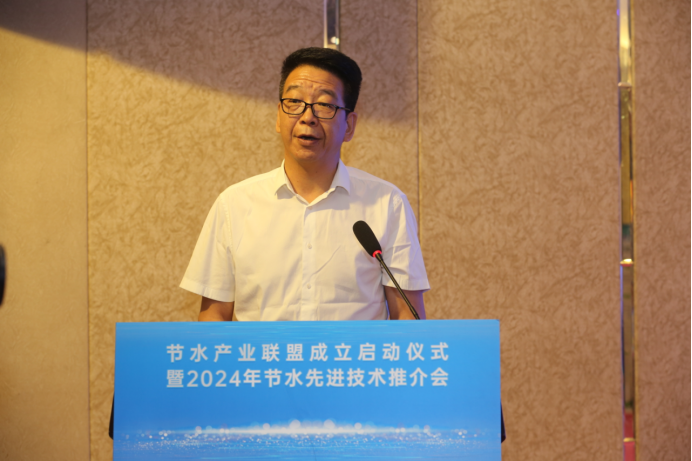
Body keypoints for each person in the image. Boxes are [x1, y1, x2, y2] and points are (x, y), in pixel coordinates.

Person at [180, 47, 429, 322]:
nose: (307, 116)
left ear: (349, 126)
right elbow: (214, 315)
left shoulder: (387, 204)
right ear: (278, 116)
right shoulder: (234, 205)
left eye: (325, 105)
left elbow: (407, 315)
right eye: (294, 101)